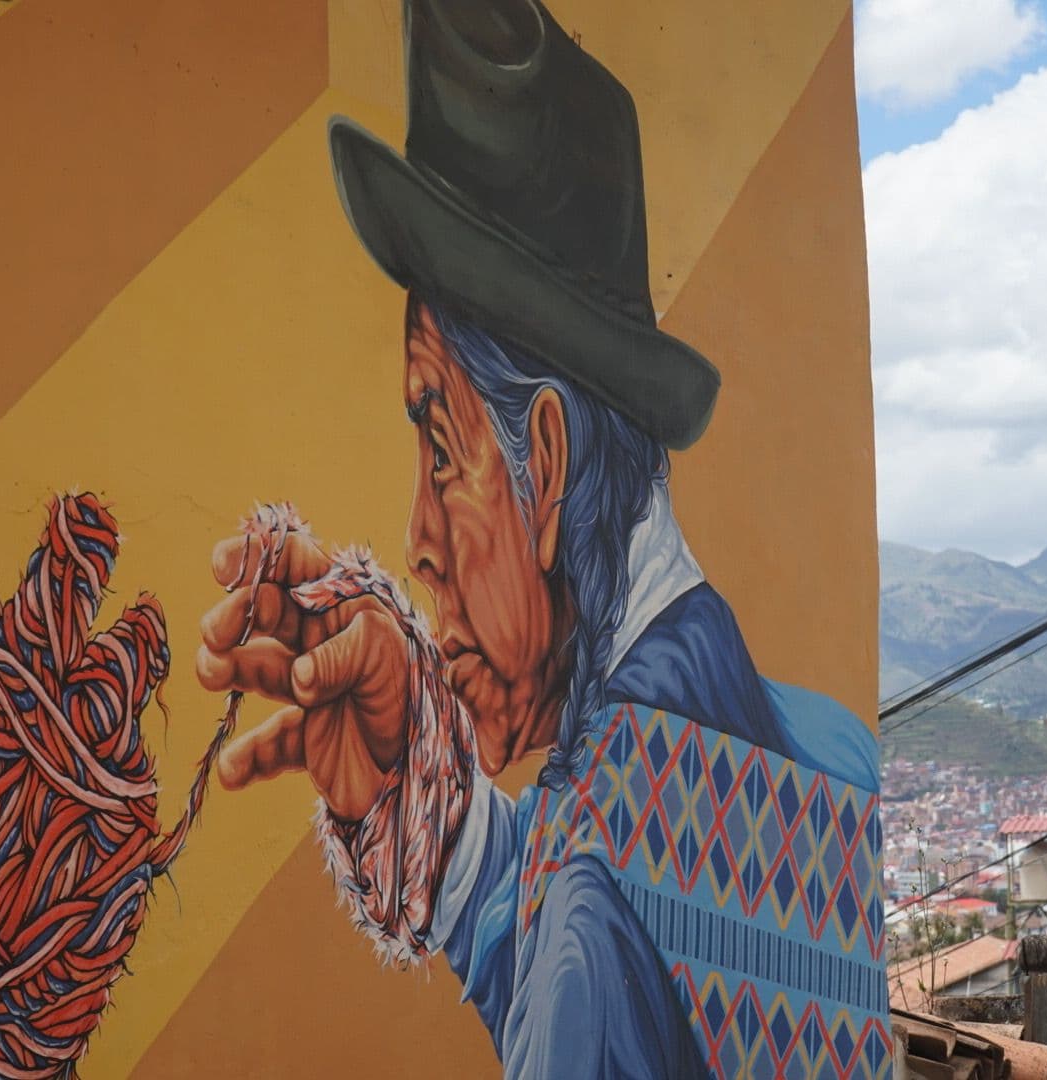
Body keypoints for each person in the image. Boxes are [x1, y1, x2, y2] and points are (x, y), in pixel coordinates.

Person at [196, 1, 889, 1075]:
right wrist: (416, 795)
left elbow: (590, 935)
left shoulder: (589, 901)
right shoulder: (828, 764)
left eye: (440, 445)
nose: (419, 541)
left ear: (551, 462)